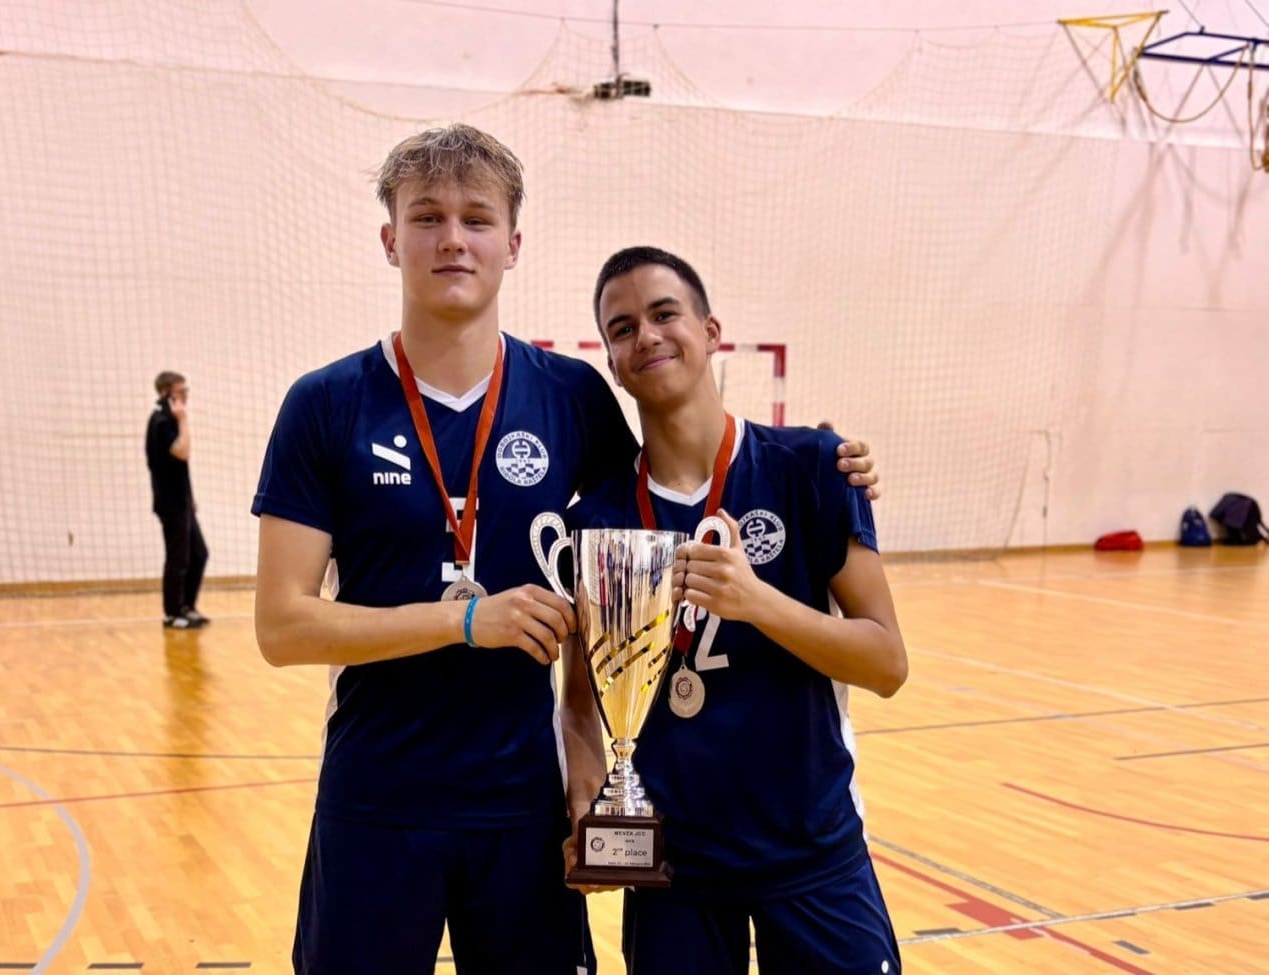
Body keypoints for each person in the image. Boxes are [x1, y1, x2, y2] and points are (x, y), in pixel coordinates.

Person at [251, 125, 880, 975]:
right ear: (390, 239)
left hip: (525, 805)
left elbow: (670, 488)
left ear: (512, 245)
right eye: (427, 216)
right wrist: (465, 622)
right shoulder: (324, 405)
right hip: (377, 796)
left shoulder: (573, 397)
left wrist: (825, 463)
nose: (452, 238)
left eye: (477, 218)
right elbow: (282, 626)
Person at [562, 246, 908, 975]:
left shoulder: (813, 467)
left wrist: (759, 603)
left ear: (711, 331)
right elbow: (581, 706)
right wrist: (591, 807)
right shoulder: (597, 519)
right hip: (675, 875)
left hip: (812, 854)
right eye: (622, 329)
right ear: (613, 364)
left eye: (664, 314)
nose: (646, 336)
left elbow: (887, 662)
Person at [146, 370, 209, 629]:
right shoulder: (161, 421)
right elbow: (182, 452)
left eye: (186, 391)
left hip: (182, 501)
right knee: (178, 558)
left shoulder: (169, 419)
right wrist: (183, 419)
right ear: (166, 394)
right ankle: (172, 614)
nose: (185, 396)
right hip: (170, 504)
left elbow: (179, 468)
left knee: (199, 553)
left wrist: (190, 497)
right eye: (180, 392)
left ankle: (186, 606)